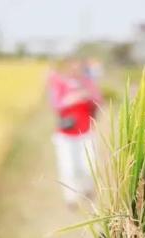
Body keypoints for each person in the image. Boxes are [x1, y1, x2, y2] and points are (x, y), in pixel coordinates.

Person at [47, 58, 102, 207]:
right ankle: (71, 197)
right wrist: (71, 99)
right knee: (69, 167)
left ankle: (87, 190)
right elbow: (55, 104)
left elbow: (98, 101)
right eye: (72, 66)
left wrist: (87, 96)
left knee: (88, 165)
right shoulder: (59, 84)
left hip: (86, 131)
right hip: (66, 133)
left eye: (78, 67)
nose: (75, 70)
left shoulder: (88, 83)